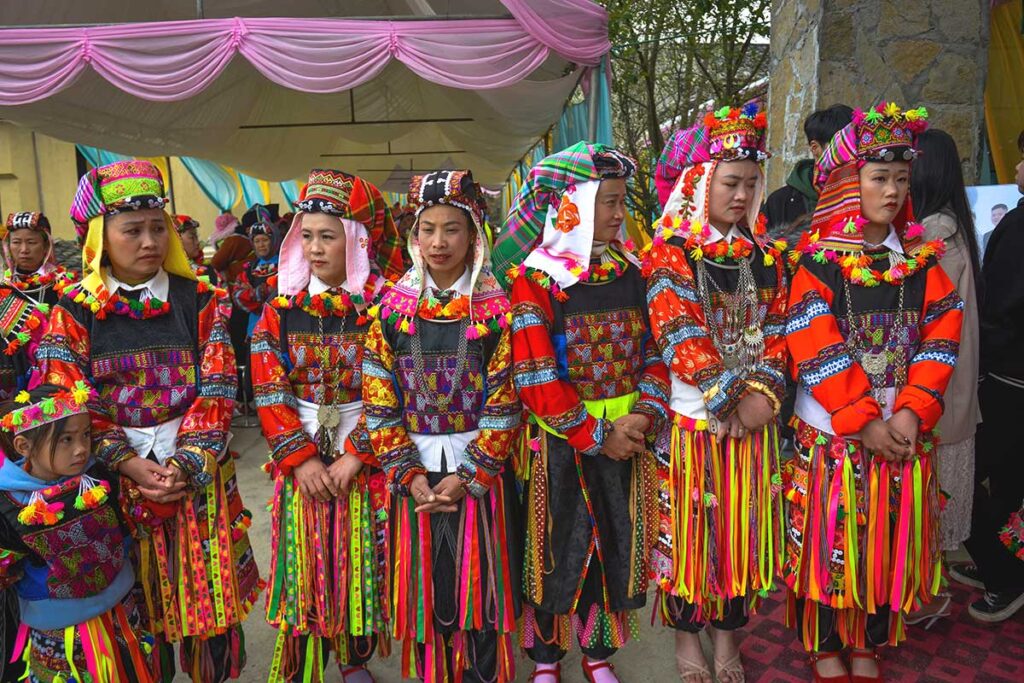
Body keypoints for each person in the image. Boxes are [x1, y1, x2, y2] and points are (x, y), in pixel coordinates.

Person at [35, 160, 262, 682]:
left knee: (207, 602)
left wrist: (186, 461)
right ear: (101, 235)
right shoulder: (73, 308)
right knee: (133, 609)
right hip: (114, 479)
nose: (149, 240)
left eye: (157, 227)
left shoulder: (199, 298)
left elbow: (220, 383)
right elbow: (70, 396)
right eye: (131, 230)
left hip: (195, 469)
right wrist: (128, 463)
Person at [785, 103, 962, 682]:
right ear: (844, 184)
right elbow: (815, 342)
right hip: (839, 433)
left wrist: (913, 410)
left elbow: (941, 336)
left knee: (882, 537)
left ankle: (865, 635)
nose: (892, 191)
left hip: (900, 430)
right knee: (832, 536)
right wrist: (863, 419)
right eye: (878, 177)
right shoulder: (818, 265)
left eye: (901, 180)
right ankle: (824, 639)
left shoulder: (920, 264)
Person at [500, 143, 668, 683]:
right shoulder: (537, 281)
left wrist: (642, 415)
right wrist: (596, 435)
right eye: (609, 202)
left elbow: (657, 351)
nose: (621, 215)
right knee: (554, 549)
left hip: (628, 439)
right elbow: (534, 375)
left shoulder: (633, 272)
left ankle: (598, 653)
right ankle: (546, 659)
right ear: (570, 206)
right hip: (561, 444)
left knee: (613, 547)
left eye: (622, 202)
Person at [643, 105, 788, 683]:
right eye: (731, 182)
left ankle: (728, 635)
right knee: (686, 536)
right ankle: (686, 637)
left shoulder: (769, 257)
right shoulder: (670, 253)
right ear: (700, 183)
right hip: (690, 429)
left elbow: (781, 335)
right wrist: (731, 400)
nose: (742, 195)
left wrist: (760, 400)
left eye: (752, 184)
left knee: (743, 534)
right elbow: (679, 332)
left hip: (751, 428)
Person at [363, 170, 521, 682]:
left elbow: (506, 399)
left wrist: (471, 472)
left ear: (473, 233)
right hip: (414, 475)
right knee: (428, 591)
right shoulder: (390, 310)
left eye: (451, 228)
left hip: (479, 476)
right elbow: (378, 397)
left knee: (483, 591)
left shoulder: (498, 312)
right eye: (427, 228)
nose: (438, 242)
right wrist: (408, 475)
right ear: (414, 235)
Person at [252, 169, 404, 682]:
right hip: (305, 462)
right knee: (306, 562)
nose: (315, 249)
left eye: (328, 236)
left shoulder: (387, 308)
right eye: (307, 236)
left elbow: (396, 383)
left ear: (357, 241)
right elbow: (269, 385)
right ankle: (306, 660)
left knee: (360, 564)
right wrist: (300, 456)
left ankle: (353, 659)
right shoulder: (279, 309)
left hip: (363, 455)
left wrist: (359, 452)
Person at [0, 383, 156, 682]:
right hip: (61, 634)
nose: (81, 448)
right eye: (66, 439)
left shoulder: (99, 476)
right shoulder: (8, 503)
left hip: (123, 614)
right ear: (23, 446)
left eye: (85, 434)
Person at [901, 129, 984, 626]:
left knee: (922, 503)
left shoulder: (932, 232)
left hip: (938, 388)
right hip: (952, 383)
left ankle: (920, 597)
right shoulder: (952, 223)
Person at [954, 128, 1024, 623]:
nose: (1016, 170)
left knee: (971, 478)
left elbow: (1001, 304)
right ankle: (1002, 563)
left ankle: (1005, 575)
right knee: (1010, 480)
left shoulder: (1020, 226)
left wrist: (980, 355)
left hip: (1008, 377)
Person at [763, 104, 853, 242]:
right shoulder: (780, 202)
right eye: (842, 148)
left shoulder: (864, 197)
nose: (851, 155)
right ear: (815, 148)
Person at [1, 212, 76, 308]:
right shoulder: (5, 286)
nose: (24, 250)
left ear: (46, 246)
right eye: (16, 242)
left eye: (31, 242)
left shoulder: (63, 284)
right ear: (8, 246)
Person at [234, 206, 282, 339]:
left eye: (265, 240)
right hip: (255, 330)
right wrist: (264, 291)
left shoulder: (285, 265)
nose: (261, 245)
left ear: (274, 241)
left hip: (279, 328)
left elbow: (283, 294)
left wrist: (252, 293)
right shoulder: (249, 268)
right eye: (257, 241)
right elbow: (238, 297)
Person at [173, 214, 219, 286]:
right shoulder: (172, 276)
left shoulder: (205, 269)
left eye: (196, 236)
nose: (197, 242)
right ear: (177, 241)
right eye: (192, 237)